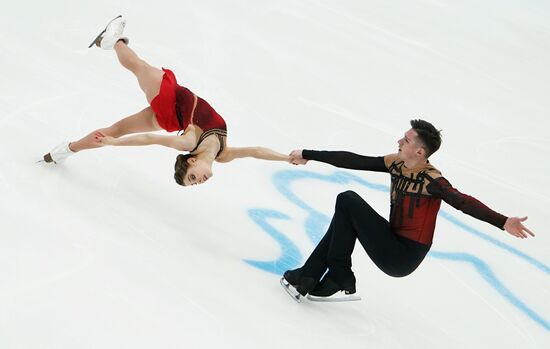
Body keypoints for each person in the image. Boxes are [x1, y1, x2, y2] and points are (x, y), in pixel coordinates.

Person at [283, 119, 535, 301]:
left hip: (403, 256)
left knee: (348, 201)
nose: (399, 141)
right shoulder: (397, 163)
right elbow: (355, 160)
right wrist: (309, 154)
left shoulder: (432, 180)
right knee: (346, 213)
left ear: (420, 151)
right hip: (391, 239)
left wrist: (503, 221)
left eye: (406, 139)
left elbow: (463, 202)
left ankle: (337, 274)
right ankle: (310, 276)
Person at [42, 16, 289, 186]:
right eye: (194, 181)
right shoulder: (222, 155)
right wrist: (287, 158)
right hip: (171, 115)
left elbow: (151, 139)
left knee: (139, 68)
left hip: (169, 99)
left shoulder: (189, 142)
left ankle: (112, 41)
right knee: (121, 114)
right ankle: (66, 150)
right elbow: (256, 152)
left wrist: (116, 144)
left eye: (192, 179)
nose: (199, 181)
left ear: (191, 160)